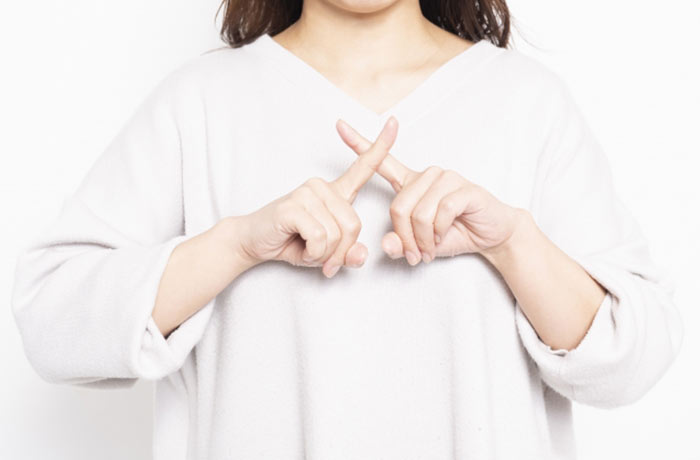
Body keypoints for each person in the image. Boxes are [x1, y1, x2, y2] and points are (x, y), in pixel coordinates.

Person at [11, 0, 684, 459]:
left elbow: (635, 356)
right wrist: (236, 244)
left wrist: (511, 244)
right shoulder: (201, 103)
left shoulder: (527, 104)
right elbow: (50, 319)